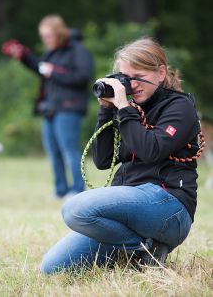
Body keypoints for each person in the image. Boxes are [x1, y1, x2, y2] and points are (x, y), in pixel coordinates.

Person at [40, 37, 203, 274]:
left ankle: (140, 249)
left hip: (169, 206)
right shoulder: (130, 109)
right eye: (127, 78)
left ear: (161, 73)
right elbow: (103, 160)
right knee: (52, 268)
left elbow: (151, 150)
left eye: (139, 76)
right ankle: (142, 250)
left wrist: (124, 109)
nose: (132, 85)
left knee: (74, 209)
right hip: (128, 207)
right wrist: (106, 110)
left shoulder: (179, 107)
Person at [2, 15, 94, 198]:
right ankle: (60, 190)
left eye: (48, 36)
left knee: (69, 149)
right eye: (43, 36)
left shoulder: (78, 51)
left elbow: (83, 77)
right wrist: (24, 56)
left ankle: (77, 189)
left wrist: (56, 72)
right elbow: (42, 70)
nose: (45, 40)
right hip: (50, 108)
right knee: (53, 151)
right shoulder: (53, 51)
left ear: (59, 33)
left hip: (69, 107)